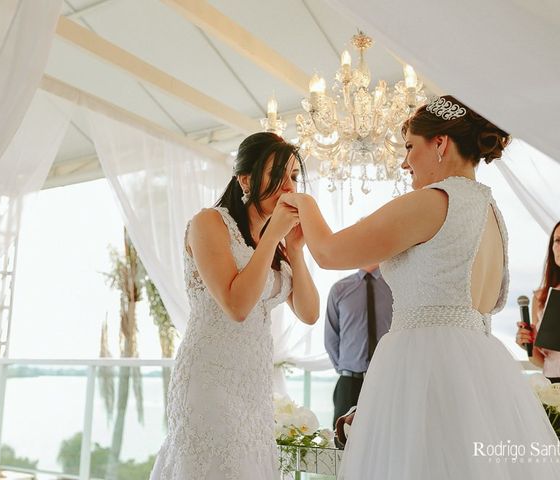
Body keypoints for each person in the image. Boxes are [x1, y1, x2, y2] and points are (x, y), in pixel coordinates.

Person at [280, 96, 560, 478]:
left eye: (410, 147)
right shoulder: (492, 213)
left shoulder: (433, 201)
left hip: (424, 363)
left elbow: (329, 253)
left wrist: (303, 201)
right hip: (479, 371)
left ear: (440, 144)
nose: (404, 161)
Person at [149, 132, 320, 480]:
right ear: (245, 179)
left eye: (293, 176)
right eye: (278, 175)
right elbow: (236, 305)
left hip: (253, 384)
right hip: (210, 378)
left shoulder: (274, 244)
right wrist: (273, 237)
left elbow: (309, 312)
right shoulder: (208, 223)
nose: (289, 186)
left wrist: (296, 250)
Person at [325, 264, 392, 431]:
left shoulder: (394, 287)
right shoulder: (339, 289)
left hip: (387, 380)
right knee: (343, 441)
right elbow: (331, 337)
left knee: (385, 435)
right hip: (349, 382)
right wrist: (346, 368)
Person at [516, 221, 560, 381]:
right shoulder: (540, 297)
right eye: (557, 240)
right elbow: (541, 361)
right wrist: (528, 343)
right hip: (552, 384)